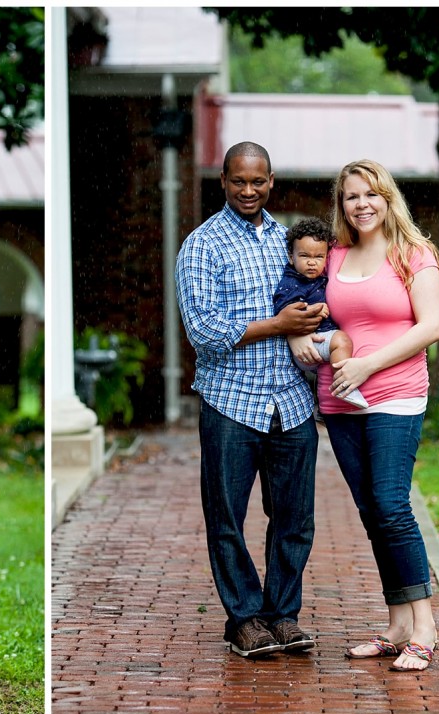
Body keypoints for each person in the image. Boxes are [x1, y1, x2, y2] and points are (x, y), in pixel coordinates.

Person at [291, 159, 439, 672]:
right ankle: (398, 624)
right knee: (370, 511)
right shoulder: (333, 257)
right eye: (351, 196)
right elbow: (308, 307)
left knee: (390, 504)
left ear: (388, 199)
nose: (361, 204)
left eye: (371, 194)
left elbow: (431, 328)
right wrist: (305, 340)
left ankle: (425, 628)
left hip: (397, 394)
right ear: (342, 204)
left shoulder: (413, 253)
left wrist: (366, 365)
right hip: (340, 401)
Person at [176, 141, 326, 658]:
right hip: (231, 402)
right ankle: (243, 618)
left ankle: (282, 615)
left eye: (257, 181)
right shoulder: (202, 245)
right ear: (222, 180)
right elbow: (203, 333)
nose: (248, 190)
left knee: (295, 518)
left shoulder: (290, 241)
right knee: (227, 519)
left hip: (292, 402)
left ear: (271, 181)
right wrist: (277, 325)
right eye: (238, 181)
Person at [274, 216, 368, 408]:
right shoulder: (292, 282)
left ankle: (322, 400)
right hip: (309, 343)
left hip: (317, 341)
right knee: (342, 340)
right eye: (305, 256)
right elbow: (284, 309)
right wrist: (312, 309)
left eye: (318, 257)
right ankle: (344, 384)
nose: (312, 263)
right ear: (291, 257)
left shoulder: (319, 278)